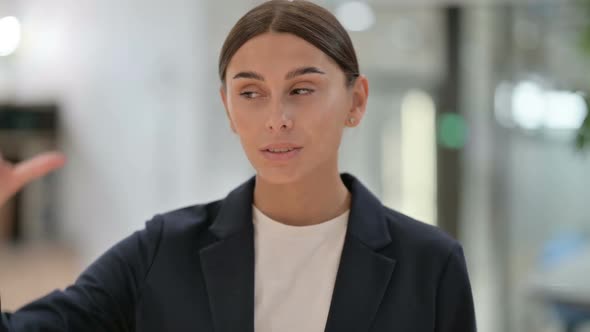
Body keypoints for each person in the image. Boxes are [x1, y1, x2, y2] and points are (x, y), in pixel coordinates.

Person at [0, 1, 477, 331]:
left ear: (357, 101)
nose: (277, 119)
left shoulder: (430, 266)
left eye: (302, 89)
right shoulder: (162, 252)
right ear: (228, 108)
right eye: (251, 93)